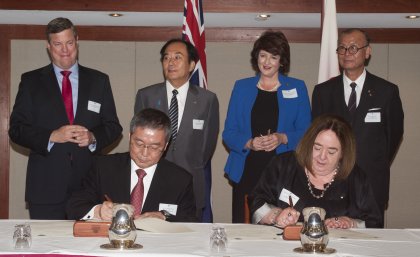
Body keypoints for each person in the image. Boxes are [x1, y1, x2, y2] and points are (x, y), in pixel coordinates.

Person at [8, 17, 122, 219]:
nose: (65, 50)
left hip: (89, 186)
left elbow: (113, 127)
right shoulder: (31, 81)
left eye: (69, 43)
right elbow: (16, 129)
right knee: (47, 248)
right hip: (45, 188)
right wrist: (51, 136)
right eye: (58, 44)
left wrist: (92, 137)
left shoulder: (99, 81)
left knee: (88, 248)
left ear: (77, 40)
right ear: (48, 45)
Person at [312, 28, 404, 226]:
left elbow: (394, 135)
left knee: (372, 243)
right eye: (342, 48)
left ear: (367, 51)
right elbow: (316, 136)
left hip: (372, 181)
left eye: (353, 48)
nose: (347, 53)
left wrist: (373, 160)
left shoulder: (387, 91)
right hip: (332, 181)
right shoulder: (323, 92)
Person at [222, 30, 311, 223]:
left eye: (273, 57)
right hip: (247, 169)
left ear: (282, 61)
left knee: (281, 226)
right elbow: (228, 133)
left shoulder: (297, 87)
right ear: (256, 58)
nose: (267, 62)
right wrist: (250, 142)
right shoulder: (241, 87)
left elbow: (307, 132)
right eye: (263, 55)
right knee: (243, 227)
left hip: (283, 172)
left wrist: (283, 138)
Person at [134, 38, 219, 221]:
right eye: (166, 58)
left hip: (190, 184)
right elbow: (138, 140)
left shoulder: (207, 100)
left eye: (177, 57)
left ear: (191, 65)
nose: (170, 62)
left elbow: (206, 148)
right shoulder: (146, 96)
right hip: (151, 181)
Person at [249, 115, 382, 229]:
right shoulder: (283, 165)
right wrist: (276, 215)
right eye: (317, 148)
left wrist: (351, 223)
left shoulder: (356, 178)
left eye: (331, 151)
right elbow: (257, 201)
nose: (322, 157)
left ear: (343, 154)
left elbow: (374, 222)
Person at [66, 108, 197, 222]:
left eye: (154, 147)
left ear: (165, 146)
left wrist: (164, 217)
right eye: (139, 144)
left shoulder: (180, 179)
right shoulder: (103, 167)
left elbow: (191, 219)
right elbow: (74, 206)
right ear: (130, 137)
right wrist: (98, 211)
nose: (144, 153)